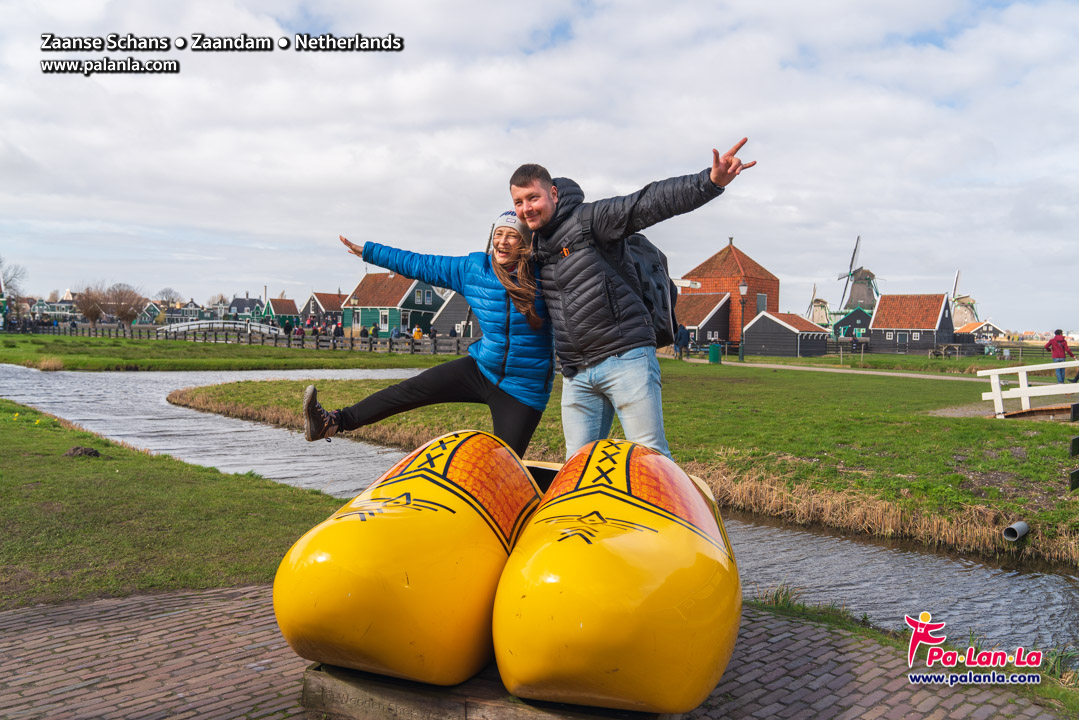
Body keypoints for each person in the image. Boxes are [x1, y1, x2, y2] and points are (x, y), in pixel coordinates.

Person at [510, 138, 754, 459]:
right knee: (576, 467)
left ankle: (670, 509)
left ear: (553, 194)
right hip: (576, 374)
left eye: (533, 197)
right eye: (518, 202)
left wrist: (709, 182)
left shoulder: (591, 220)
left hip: (625, 360)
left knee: (650, 459)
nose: (526, 207)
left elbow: (648, 202)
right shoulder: (535, 247)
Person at [302, 211, 554, 458]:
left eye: (512, 236)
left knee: (505, 467)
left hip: (523, 387)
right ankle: (332, 422)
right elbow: (419, 264)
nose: (502, 241)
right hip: (483, 368)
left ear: (525, 242)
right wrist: (369, 252)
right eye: (499, 234)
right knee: (408, 390)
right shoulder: (474, 269)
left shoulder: (545, 276)